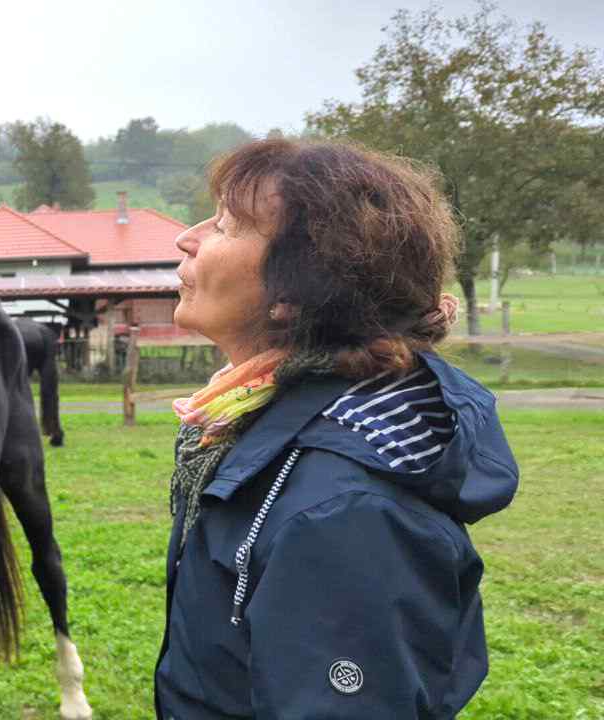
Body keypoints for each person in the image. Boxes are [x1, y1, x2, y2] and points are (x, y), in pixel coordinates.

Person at [154, 139, 518, 719]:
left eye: (225, 225)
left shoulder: (342, 511)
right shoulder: (250, 423)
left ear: (294, 293)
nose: (187, 238)